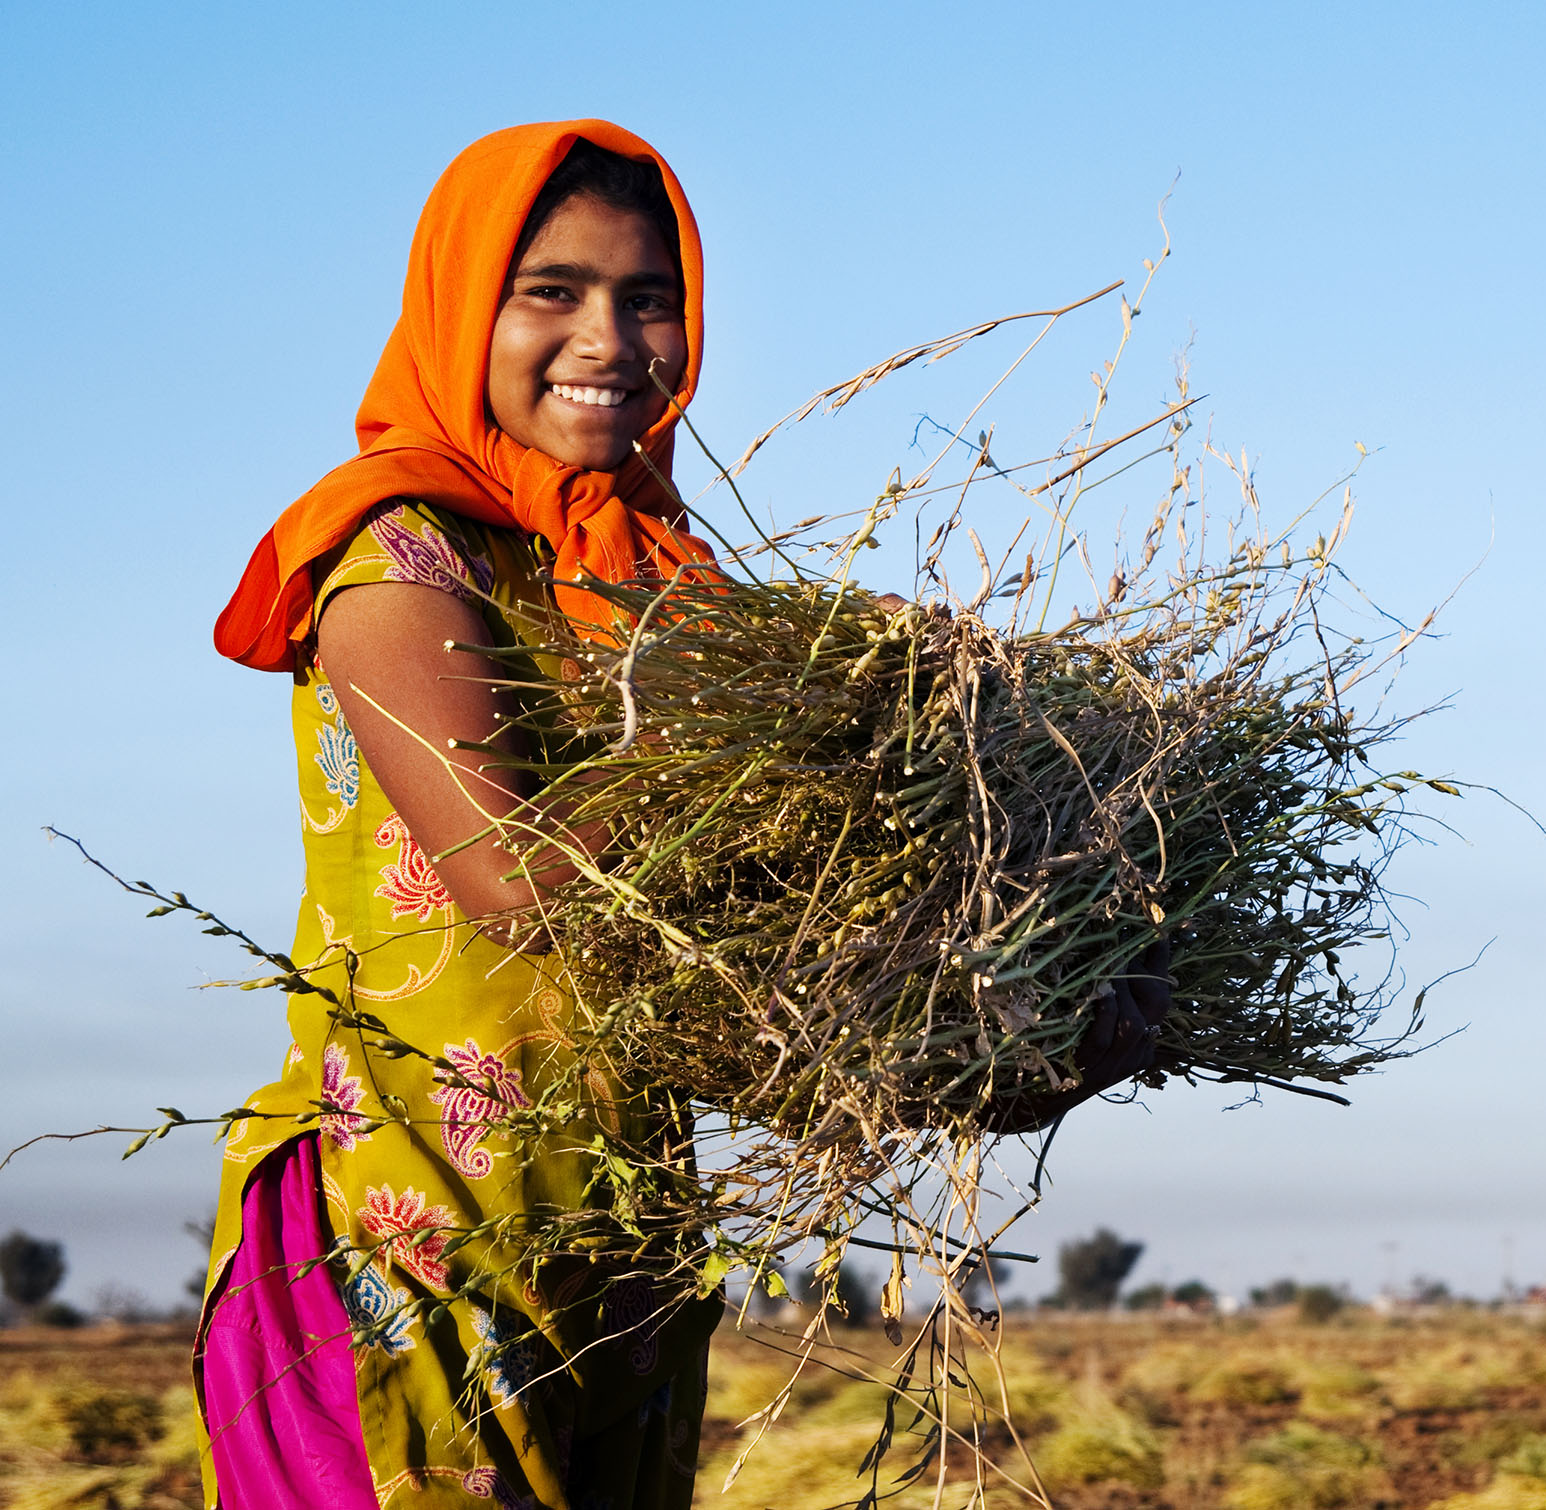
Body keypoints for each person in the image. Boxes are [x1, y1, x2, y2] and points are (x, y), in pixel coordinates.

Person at [199, 120, 1167, 1510]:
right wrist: (822, 722)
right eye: (552, 291)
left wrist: (1019, 1035)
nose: (610, 337)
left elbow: (738, 989)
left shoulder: (650, 594)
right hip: (401, 1247)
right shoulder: (392, 553)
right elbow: (517, 877)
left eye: (648, 298)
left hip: (623, 1264)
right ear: (462, 300)